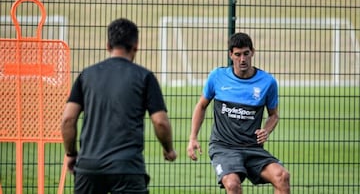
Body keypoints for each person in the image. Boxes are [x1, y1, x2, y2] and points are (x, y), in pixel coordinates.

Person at [61, 18, 177, 194]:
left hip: (89, 167)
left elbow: (68, 120)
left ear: (108, 45)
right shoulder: (145, 77)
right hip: (127, 167)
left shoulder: (86, 75)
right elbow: (160, 122)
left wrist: (71, 154)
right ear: (136, 45)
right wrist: (168, 149)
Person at [187, 32, 290, 194]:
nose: (242, 59)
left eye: (246, 54)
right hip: (224, 147)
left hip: (252, 147)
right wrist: (193, 137)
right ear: (230, 55)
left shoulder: (267, 82)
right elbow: (201, 106)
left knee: (282, 176)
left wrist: (266, 130)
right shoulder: (217, 76)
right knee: (233, 184)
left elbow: (274, 115)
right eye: (238, 54)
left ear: (253, 52)